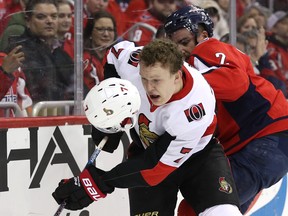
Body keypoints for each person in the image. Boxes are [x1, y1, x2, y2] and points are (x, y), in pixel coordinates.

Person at [52, 39, 243, 216]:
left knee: (225, 213)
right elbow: (114, 54)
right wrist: (109, 113)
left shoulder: (194, 107)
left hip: (198, 160)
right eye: (144, 79)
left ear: (177, 76)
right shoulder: (133, 63)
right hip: (145, 151)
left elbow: (155, 167)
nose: (149, 87)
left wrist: (97, 184)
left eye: (156, 81)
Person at [164, 5, 288, 214]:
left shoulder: (206, 49)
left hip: (267, 136)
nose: (180, 50)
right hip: (262, 143)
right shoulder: (195, 67)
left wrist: (181, 86)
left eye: (184, 42)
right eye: (174, 45)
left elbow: (235, 83)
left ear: (203, 34)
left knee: (195, 209)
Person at [5, 0, 74, 104]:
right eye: (41, 17)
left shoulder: (60, 53)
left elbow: (77, 88)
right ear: (28, 21)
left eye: (54, 16)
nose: (49, 21)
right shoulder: (18, 51)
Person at [82, 10, 118, 94]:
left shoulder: (119, 57)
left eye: (110, 29)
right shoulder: (84, 60)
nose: (106, 34)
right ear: (90, 32)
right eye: (100, 29)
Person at [0, 45, 32, 117]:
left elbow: (25, 102)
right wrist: (4, 72)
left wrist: (31, 125)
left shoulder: (10, 61)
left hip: (11, 126)